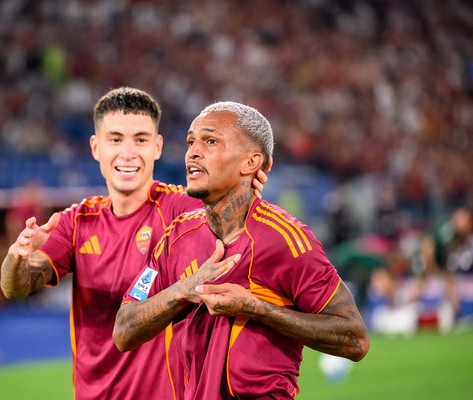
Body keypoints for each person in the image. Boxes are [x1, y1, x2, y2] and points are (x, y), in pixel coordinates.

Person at [0, 88, 269, 400]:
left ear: (157, 147)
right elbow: (15, 287)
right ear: (96, 147)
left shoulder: (183, 209)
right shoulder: (77, 221)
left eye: (140, 140)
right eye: (115, 139)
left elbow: (236, 213)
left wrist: (242, 186)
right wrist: (17, 257)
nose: (128, 153)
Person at [113, 102, 370, 399]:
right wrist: (183, 290)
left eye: (210, 141)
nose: (193, 152)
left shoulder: (283, 239)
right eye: (190, 141)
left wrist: (258, 309)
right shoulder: (177, 236)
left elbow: (355, 339)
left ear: (250, 162)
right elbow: (123, 331)